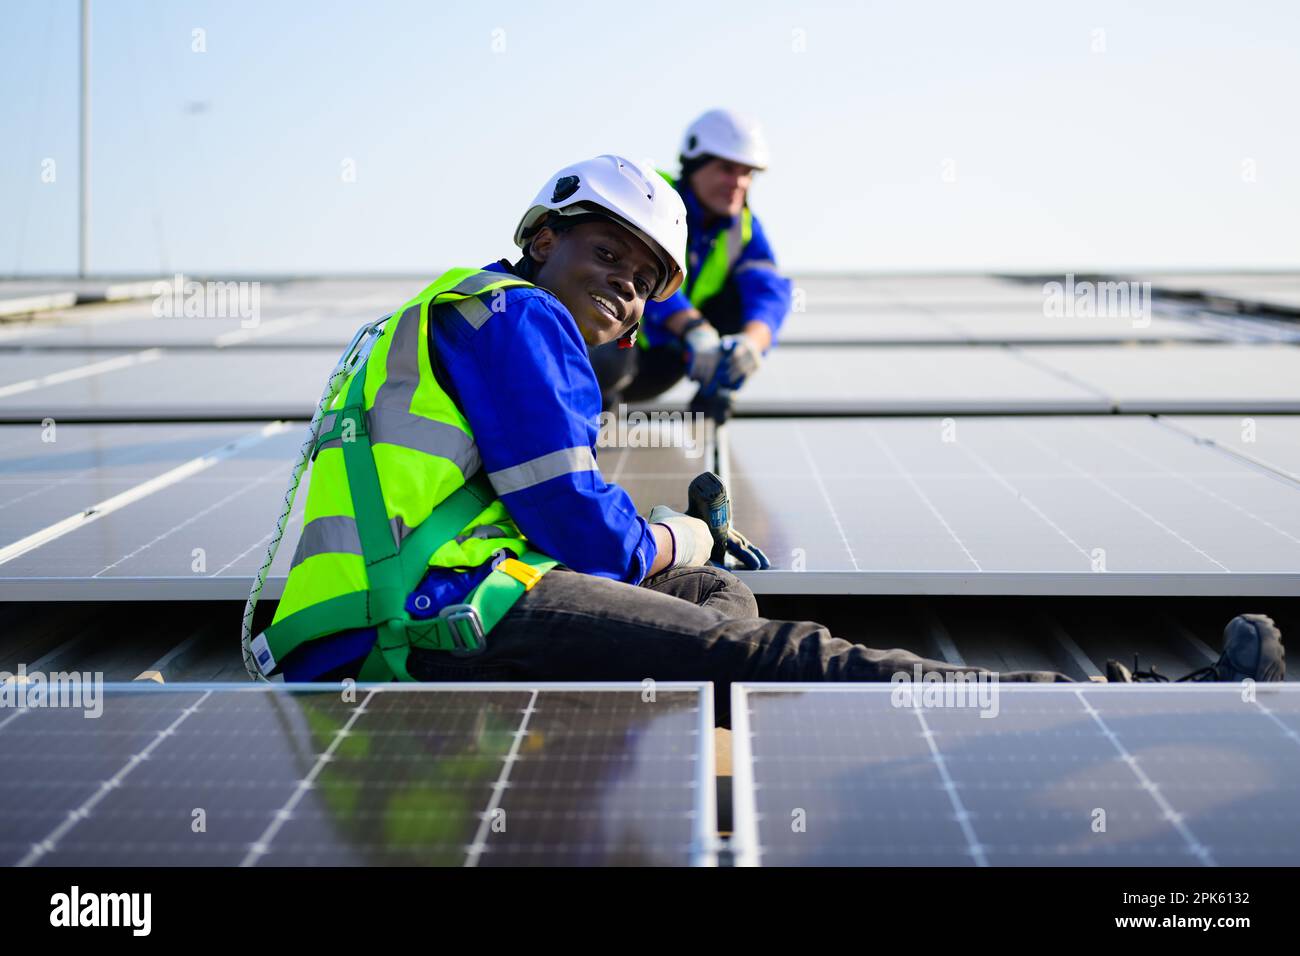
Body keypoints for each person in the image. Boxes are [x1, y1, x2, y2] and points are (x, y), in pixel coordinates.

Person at [248, 154, 1285, 727]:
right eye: (604, 251)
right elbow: (574, 524)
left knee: (709, 614)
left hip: (391, 613)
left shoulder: (442, 312)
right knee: (770, 645)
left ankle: (686, 692)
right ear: (541, 237)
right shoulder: (521, 319)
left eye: (645, 276)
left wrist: (679, 567)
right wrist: (675, 538)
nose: (623, 283)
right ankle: (1122, 705)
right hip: (428, 615)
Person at [589, 110, 792, 415]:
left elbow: (770, 290)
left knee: (743, 306)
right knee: (604, 355)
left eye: (747, 173)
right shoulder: (651, 197)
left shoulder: (744, 228)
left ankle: (716, 392)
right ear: (695, 165)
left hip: (663, 365)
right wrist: (693, 327)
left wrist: (752, 344)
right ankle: (587, 413)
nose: (738, 182)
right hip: (609, 351)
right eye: (727, 168)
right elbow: (635, 276)